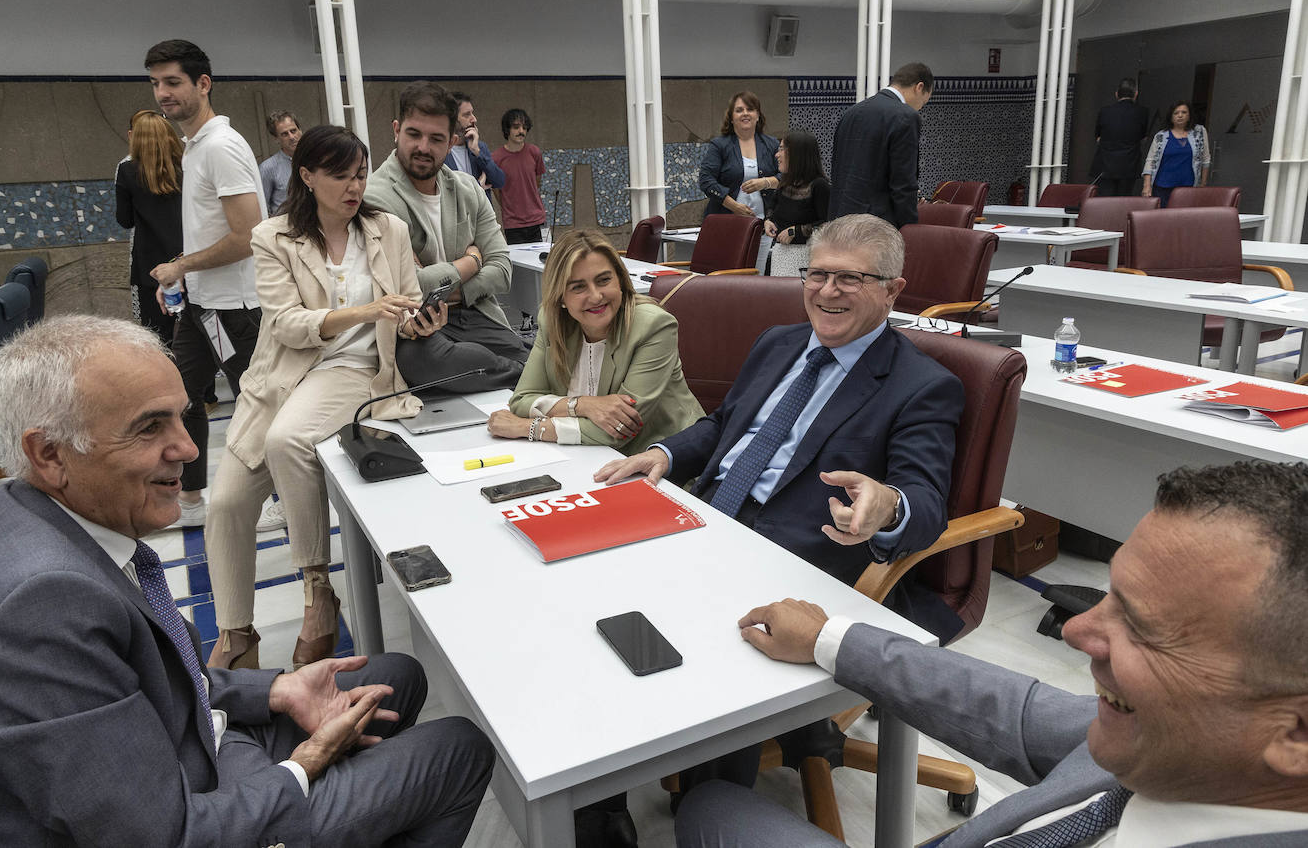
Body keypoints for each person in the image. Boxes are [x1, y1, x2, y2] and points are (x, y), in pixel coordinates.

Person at [0, 314, 494, 848]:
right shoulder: (39, 606)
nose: (189, 448)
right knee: (458, 749)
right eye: (150, 427)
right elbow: (166, 837)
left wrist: (277, 689)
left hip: (189, 751)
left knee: (396, 678)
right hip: (187, 814)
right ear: (49, 453)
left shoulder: (50, 524)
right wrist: (304, 766)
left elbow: (151, 679)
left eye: (181, 416)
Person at [676, 460, 1308, 848]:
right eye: (1111, 597)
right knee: (714, 803)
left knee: (708, 808)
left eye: (1142, 628)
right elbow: (1022, 713)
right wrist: (826, 639)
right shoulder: (1186, 744)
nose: (1074, 630)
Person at [594, 213, 963, 639]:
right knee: (599, 584)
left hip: (796, 556)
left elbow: (926, 500)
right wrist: (665, 453)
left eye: (849, 278)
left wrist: (890, 505)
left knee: (676, 637)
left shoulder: (923, 386)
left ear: (892, 291)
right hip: (705, 514)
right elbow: (724, 425)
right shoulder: (777, 342)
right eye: (819, 273)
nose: (828, 291)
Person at [203, 125, 446, 671]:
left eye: (360, 173)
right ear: (307, 177)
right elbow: (288, 326)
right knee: (225, 504)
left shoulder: (389, 229)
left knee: (290, 440)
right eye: (340, 175)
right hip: (282, 376)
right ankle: (236, 633)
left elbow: (403, 316)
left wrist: (419, 321)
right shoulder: (273, 236)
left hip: (359, 371)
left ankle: (318, 591)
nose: (354, 185)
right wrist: (368, 311)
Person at [145, 39, 267, 529]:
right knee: (180, 396)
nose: (162, 93)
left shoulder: (220, 147)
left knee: (256, 406)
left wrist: (180, 267)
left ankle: (278, 495)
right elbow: (212, 231)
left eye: (172, 82)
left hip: (235, 309)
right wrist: (182, 270)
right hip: (202, 305)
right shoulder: (196, 146)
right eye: (155, 84)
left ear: (202, 83)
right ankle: (191, 501)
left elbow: (249, 235)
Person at [365, 80, 530, 393]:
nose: (424, 147)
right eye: (414, 134)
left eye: (436, 138)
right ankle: (523, 376)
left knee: (530, 358)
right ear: (397, 129)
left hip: (475, 311)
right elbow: (410, 288)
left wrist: (460, 292)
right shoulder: (376, 197)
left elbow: (503, 269)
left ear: (452, 141)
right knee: (426, 362)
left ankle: (521, 372)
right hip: (417, 327)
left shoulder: (468, 189)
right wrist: (471, 260)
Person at [487, 229, 704, 455]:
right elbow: (522, 400)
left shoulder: (653, 327)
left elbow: (618, 431)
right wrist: (583, 405)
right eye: (578, 287)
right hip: (583, 456)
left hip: (661, 459)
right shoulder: (552, 322)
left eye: (603, 280)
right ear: (560, 296)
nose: (596, 296)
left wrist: (527, 427)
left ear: (620, 279)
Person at [828, 61, 933, 228]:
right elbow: (903, 181)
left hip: (841, 218)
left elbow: (838, 168)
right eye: (924, 101)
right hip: (877, 225)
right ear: (919, 87)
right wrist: (910, 226)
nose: (920, 108)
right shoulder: (905, 116)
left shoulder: (851, 113)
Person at [115, 108, 184, 346]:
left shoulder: (127, 169)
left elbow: (125, 219)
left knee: (157, 338)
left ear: (134, 137)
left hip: (149, 266)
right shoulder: (185, 165)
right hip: (187, 261)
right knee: (195, 337)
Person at [700, 91, 780, 270]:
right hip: (726, 222)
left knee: (756, 275)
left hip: (763, 226)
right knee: (726, 275)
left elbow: (788, 176)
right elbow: (706, 180)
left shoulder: (772, 144)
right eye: (739, 110)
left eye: (750, 109)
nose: (745, 113)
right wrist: (733, 205)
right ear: (731, 117)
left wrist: (766, 182)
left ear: (758, 115)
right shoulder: (719, 145)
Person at [764, 128, 830, 277]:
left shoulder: (819, 186)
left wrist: (797, 231)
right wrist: (768, 221)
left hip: (808, 260)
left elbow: (829, 224)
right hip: (780, 255)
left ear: (796, 154)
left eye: (781, 149)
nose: (777, 155)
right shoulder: (786, 182)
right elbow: (772, 206)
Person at [492, 107, 549, 244]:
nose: (521, 131)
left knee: (545, 262)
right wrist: (511, 206)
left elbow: (537, 183)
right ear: (507, 130)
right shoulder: (496, 158)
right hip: (513, 225)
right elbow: (497, 190)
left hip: (538, 220)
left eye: (524, 127)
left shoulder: (534, 152)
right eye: (516, 127)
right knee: (519, 264)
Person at [1143, 100, 1211, 207]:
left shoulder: (1199, 133)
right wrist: (1147, 186)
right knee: (1162, 219)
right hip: (1163, 187)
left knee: (1184, 218)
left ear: (1189, 115)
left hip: (1188, 187)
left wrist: (1203, 183)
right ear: (1171, 117)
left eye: (1184, 112)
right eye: (1176, 113)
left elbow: (1206, 159)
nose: (1180, 116)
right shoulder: (1161, 136)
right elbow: (1150, 160)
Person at [1090, 77, 1148, 197]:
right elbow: (1143, 137)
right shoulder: (1142, 112)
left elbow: (1098, 136)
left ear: (1116, 94)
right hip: (1129, 165)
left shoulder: (1105, 111)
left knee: (1104, 202)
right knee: (1123, 201)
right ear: (1136, 94)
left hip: (1105, 165)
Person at [444, 91, 505, 193]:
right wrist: (477, 187)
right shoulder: (441, 150)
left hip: (480, 209)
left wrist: (477, 152)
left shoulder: (479, 147)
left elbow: (499, 181)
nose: (474, 119)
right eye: (467, 115)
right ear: (452, 118)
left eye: (472, 113)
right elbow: (447, 189)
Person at [259, 110, 303, 212]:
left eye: (293, 131)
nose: (292, 137)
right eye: (284, 134)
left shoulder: (315, 161)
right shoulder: (267, 168)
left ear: (300, 130)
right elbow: (263, 208)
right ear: (276, 139)